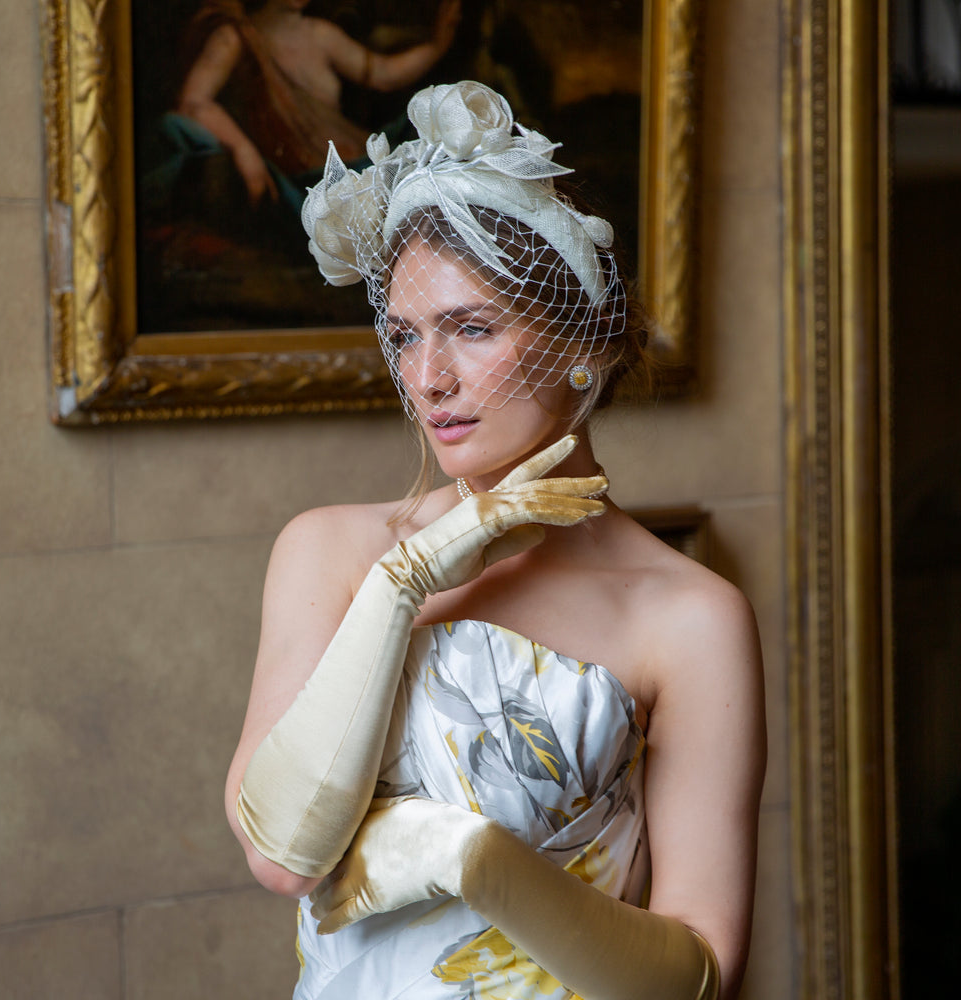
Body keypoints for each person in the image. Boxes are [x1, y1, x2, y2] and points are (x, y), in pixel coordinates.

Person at [225, 80, 766, 1000]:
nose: (429, 377)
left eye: (471, 329)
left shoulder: (690, 617)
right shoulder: (327, 552)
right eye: (403, 336)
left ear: (581, 340)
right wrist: (403, 582)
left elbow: (698, 977)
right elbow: (282, 859)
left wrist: (470, 857)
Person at [174, 0, 463, 207]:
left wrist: (437, 47)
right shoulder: (236, 37)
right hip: (309, 183)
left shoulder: (319, 34)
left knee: (438, 118)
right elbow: (194, 102)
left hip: (360, 167)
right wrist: (243, 149)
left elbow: (383, 75)